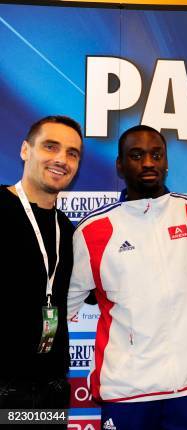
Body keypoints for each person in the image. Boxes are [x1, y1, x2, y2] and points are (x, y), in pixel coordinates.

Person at [67, 125, 187, 430]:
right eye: (137, 155)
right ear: (120, 165)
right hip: (127, 392)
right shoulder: (93, 231)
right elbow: (66, 305)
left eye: (156, 154)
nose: (149, 162)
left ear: (166, 161)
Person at [0, 115, 83, 428]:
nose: (62, 159)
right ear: (25, 150)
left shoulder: (67, 228)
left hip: (49, 388)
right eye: (51, 147)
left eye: (72, 153)